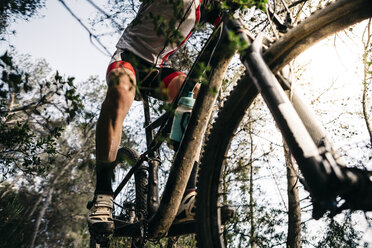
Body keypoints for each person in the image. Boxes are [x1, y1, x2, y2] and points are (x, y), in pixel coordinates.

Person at [87, 0, 221, 234]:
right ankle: (103, 195)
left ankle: (188, 196)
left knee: (196, 94)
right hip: (128, 59)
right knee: (120, 91)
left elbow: (227, 24)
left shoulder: (206, 5)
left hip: (157, 71)